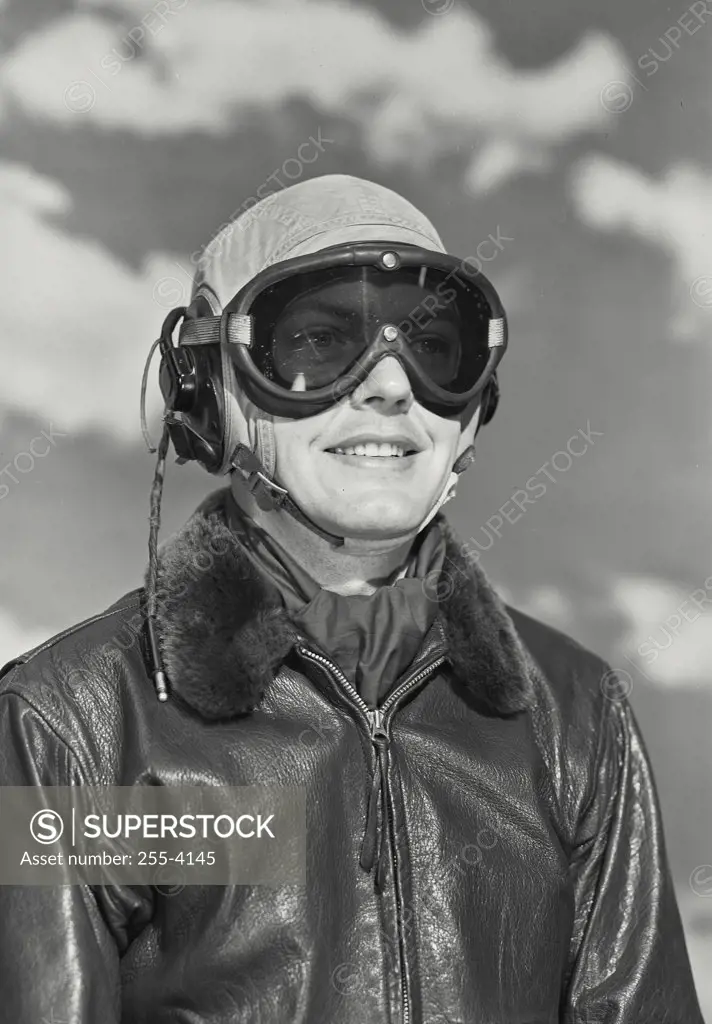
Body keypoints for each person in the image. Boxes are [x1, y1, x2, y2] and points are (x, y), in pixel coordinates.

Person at [0, 174, 704, 1023]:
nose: (391, 387)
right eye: (320, 340)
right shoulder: (69, 726)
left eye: (433, 345)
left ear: (473, 412)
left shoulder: (577, 718)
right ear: (205, 394)